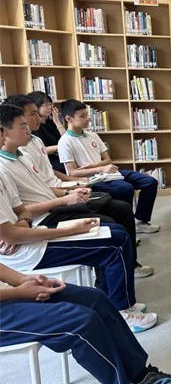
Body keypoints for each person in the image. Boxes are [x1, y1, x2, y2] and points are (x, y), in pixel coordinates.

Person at [0, 144, 157, 332]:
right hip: (27, 252)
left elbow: (22, 213)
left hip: (32, 234)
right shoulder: (4, 167)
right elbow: (13, 236)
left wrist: (21, 223)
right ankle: (121, 311)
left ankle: (116, 303)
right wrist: (71, 230)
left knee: (116, 232)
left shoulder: (12, 164)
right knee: (115, 243)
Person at [4, 96, 152, 278]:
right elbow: (20, 212)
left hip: (59, 195)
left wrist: (72, 187)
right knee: (117, 206)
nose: (38, 118)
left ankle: (129, 258)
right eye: (31, 115)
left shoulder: (29, 148)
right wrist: (69, 192)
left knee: (125, 202)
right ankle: (119, 265)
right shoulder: (12, 160)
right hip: (49, 212)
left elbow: (45, 180)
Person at [0, 262, 171, 384]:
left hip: (8, 292)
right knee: (81, 322)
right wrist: (20, 292)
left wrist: (24, 280)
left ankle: (140, 376)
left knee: (95, 299)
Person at [57, 99, 160, 234]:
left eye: (87, 115)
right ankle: (124, 228)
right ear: (68, 119)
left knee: (150, 182)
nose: (88, 119)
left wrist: (96, 165)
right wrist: (99, 168)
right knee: (125, 189)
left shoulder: (92, 135)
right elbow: (73, 173)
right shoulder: (65, 142)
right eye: (82, 116)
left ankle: (139, 221)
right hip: (91, 179)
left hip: (108, 173)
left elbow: (107, 160)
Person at [29, 91, 67, 174]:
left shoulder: (51, 122)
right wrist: (60, 146)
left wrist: (57, 122)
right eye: (45, 105)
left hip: (60, 156)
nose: (49, 107)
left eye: (50, 104)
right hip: (48, 160)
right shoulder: (34, 127)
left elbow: (67, 139)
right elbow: (41, 150)